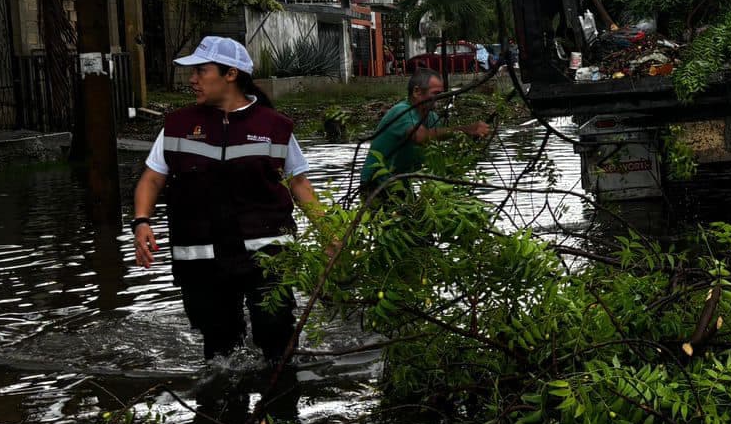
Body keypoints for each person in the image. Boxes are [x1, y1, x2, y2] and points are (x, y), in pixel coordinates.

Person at [131, 36, 325, 363]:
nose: (192, 80)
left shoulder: (274, 127)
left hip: (266, 254)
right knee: (220, 349)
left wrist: (330, 234)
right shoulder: (178, 127)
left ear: (230, 74)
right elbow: (152, 179)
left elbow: (300, 184)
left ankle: (278, 404)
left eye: (201, 71)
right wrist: (141, 222)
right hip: (201, 258)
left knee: (276, 337)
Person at [360, 68, 490, 199]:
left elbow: (435, 146)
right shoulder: (402, 112)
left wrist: (467, 140)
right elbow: (421, 137)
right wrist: (465, 129)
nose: (439, 98)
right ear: (417, 92)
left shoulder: (432, 118)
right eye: (435, 93)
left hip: (401, 184)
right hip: (376, 184)